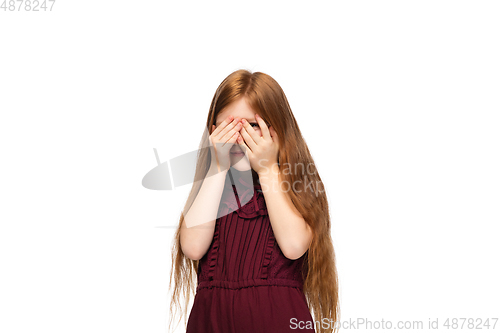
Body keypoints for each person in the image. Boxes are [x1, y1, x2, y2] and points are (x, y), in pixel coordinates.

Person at [168, 69, 339, 333]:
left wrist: (268, 168)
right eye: (229, 126)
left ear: (276, 131)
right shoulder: (213, 189)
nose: (240, 137)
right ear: (213, 131)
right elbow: (192, 247)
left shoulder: (294, 185)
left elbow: (294, 245)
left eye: (252, 126)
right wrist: (217, 167)